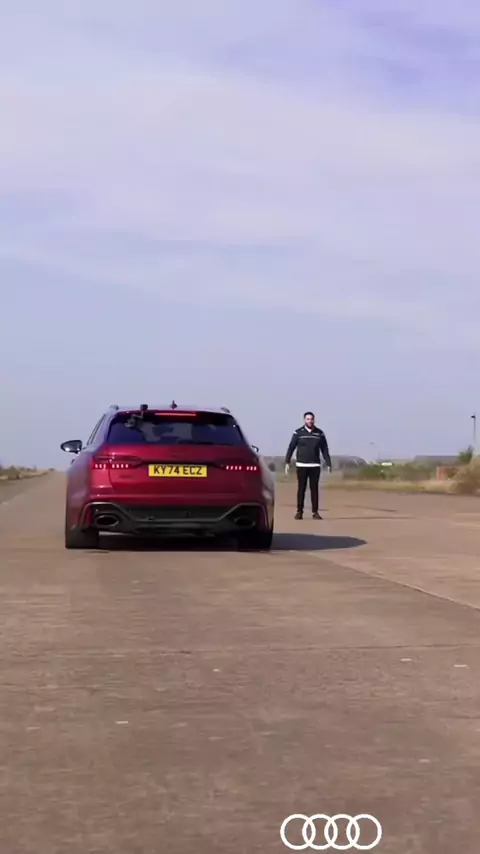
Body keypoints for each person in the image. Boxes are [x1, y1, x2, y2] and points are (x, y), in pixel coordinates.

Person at [284, 411, 332, 520]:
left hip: (315, 465)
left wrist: (328, 462)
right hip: (301, 465)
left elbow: (324, 449)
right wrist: (287, 461)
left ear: (314, 420)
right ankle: (299, 512)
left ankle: (315, 512)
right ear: (304, 420)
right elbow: (291, 447)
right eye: (308, 419)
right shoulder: (298, 433)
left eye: (311, 419)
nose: (310, 421)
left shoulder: (319, 433)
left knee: (314, 489)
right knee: (301, 489)